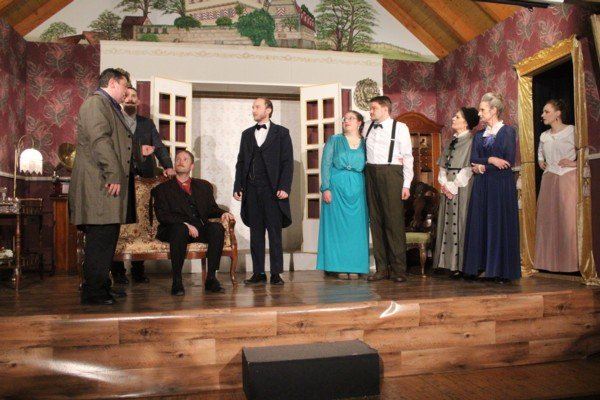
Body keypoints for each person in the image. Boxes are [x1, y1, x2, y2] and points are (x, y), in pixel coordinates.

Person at [69, 68, 139, 305]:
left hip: (106, 185)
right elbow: (100, 141)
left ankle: (102, 285)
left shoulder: (109, 106)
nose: (127, 92)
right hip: (100, 184)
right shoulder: (95, 104)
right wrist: (113, 174)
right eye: (125, 86)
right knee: (100, 239)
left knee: (107, 237)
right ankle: (93, 292)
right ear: (112, 83)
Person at [110, 85, 175, 285]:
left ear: (138, 101)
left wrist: (168, 166)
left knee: (142, 222)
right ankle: (118, 271)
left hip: (146, 178)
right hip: (121, 179)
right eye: (127, 96)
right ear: (122, 99)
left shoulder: (147, 124)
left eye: (134, 96)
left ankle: (138, 270)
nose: (130, 99)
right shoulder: (114, 120)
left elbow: (159, 146)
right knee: (120, 223)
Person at [152, 150, 235, 296]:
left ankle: (211, 278)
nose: (180, 161)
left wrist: (223, 213)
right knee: (180, 229)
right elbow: (162, 215)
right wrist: (185, 224)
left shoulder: (203, 186)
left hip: (198, 228)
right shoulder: (162, 189)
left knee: (216, 228)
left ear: (191, 166)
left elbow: (211, 209)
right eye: (178, 159)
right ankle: (177, 281)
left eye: (185, 159)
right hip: (173, 229)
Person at [233, 97, 293, 286]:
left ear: (268, 110)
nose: (253, 110)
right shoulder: (246, 134)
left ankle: (276, 273)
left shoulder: (282, 133)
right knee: (256, 233)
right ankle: (258, 272)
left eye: (257, 107)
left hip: (273, 190)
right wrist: (238, 186)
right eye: (253, 107)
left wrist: (284, 187)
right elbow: (241, 162)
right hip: (252, 189)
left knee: (274, 233)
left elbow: (287, 162)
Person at [463, 92, 520, 282]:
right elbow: (473, 158)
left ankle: (500, 270)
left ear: (494, 110)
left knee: (498, 224)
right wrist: (491, 160)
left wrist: (483, 166)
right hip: (482, 185)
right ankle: (481, 266)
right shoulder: (479, 135)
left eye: (482, 110)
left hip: (500, 185)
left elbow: (507, 161)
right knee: (481, 223)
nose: (479, 114)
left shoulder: (508, 132)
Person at [363, 96, 414, 283]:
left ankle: (399, 269)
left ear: (385, 109)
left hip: (391, 172)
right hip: (371, 173)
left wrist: (406, 184)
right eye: (370, 108)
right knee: (376, 221)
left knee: (394, 222)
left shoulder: (400, 128)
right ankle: (382, 269)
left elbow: (407, 157)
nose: (370, 111)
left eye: (374, 108)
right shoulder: (367, 126)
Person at [316, 111, 369, 279]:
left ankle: (355, 266)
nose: (346, 121)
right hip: (336, 187)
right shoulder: (334, 140)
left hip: (358, 188)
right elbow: (325, 164)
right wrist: (326, 188)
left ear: (359, 123)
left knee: (356, 229)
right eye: (345, 119)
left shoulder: (366, 143)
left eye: (351, 118)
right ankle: (338, 266)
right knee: (337, 228)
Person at [432, 107, 479, 279]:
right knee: (448, 223)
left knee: (461, 221)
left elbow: (468, 168)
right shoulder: (451, 141)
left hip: (462, 187)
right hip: (448, 187)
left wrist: (453, 185)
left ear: (466, 122)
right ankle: (449, 264)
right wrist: (444, 183)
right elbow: (443, 166)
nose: (453, 118)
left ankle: (463, 265)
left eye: (457, 117)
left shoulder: (472, 141)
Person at [534, 99, 578, 272]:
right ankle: (549, 263)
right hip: (549, 178)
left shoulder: (572, 130)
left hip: (567, 178)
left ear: (558, 113)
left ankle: (570, 263)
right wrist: (541, 161)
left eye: (547, 112)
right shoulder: (544, 136)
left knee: (567, 219)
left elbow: (586, 150)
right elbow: (540, 152)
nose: (542, 115)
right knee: (548, 221)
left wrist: (574, 163)